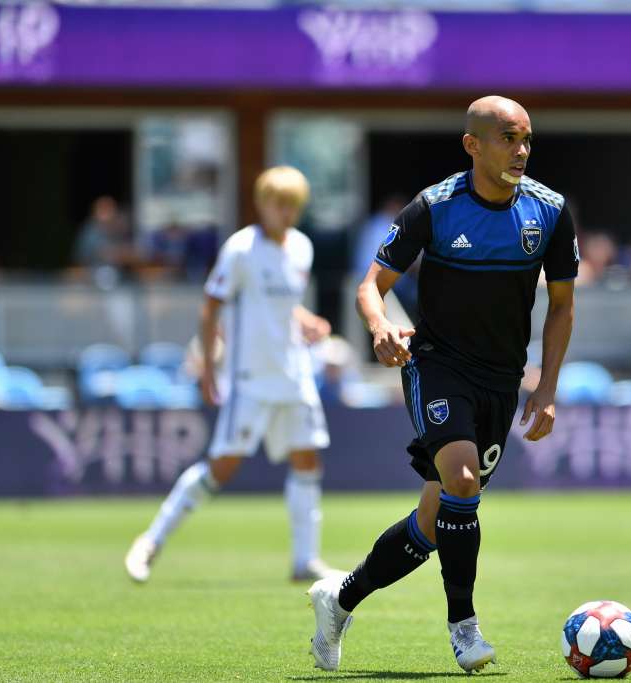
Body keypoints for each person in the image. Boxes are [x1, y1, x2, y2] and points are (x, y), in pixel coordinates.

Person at [306, 96, 578, 674]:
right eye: (508, 138)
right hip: (437, 365)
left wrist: (547, 387)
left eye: (527, 139)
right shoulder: (434, 208)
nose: (522, 151)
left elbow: (561, 306)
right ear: (472, 145)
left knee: (433, 522)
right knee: (462, 478)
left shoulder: (550, 212)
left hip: (501, 380)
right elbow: (370, 285)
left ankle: (340, 599)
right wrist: (380, 327)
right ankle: (464, 628)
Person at [124, 167, 340, 584]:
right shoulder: (240, 249)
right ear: (261, 204)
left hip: (294, 375)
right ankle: (151, 540)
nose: (286, 212)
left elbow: (280, 305)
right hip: (249, 379)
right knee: (222, 467)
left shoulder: (302, 247)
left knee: (308, 458)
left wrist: (307, 320)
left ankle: (305, 560)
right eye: (279, 203)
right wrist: (208, 367)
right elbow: (211, 307)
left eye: (293, 205)